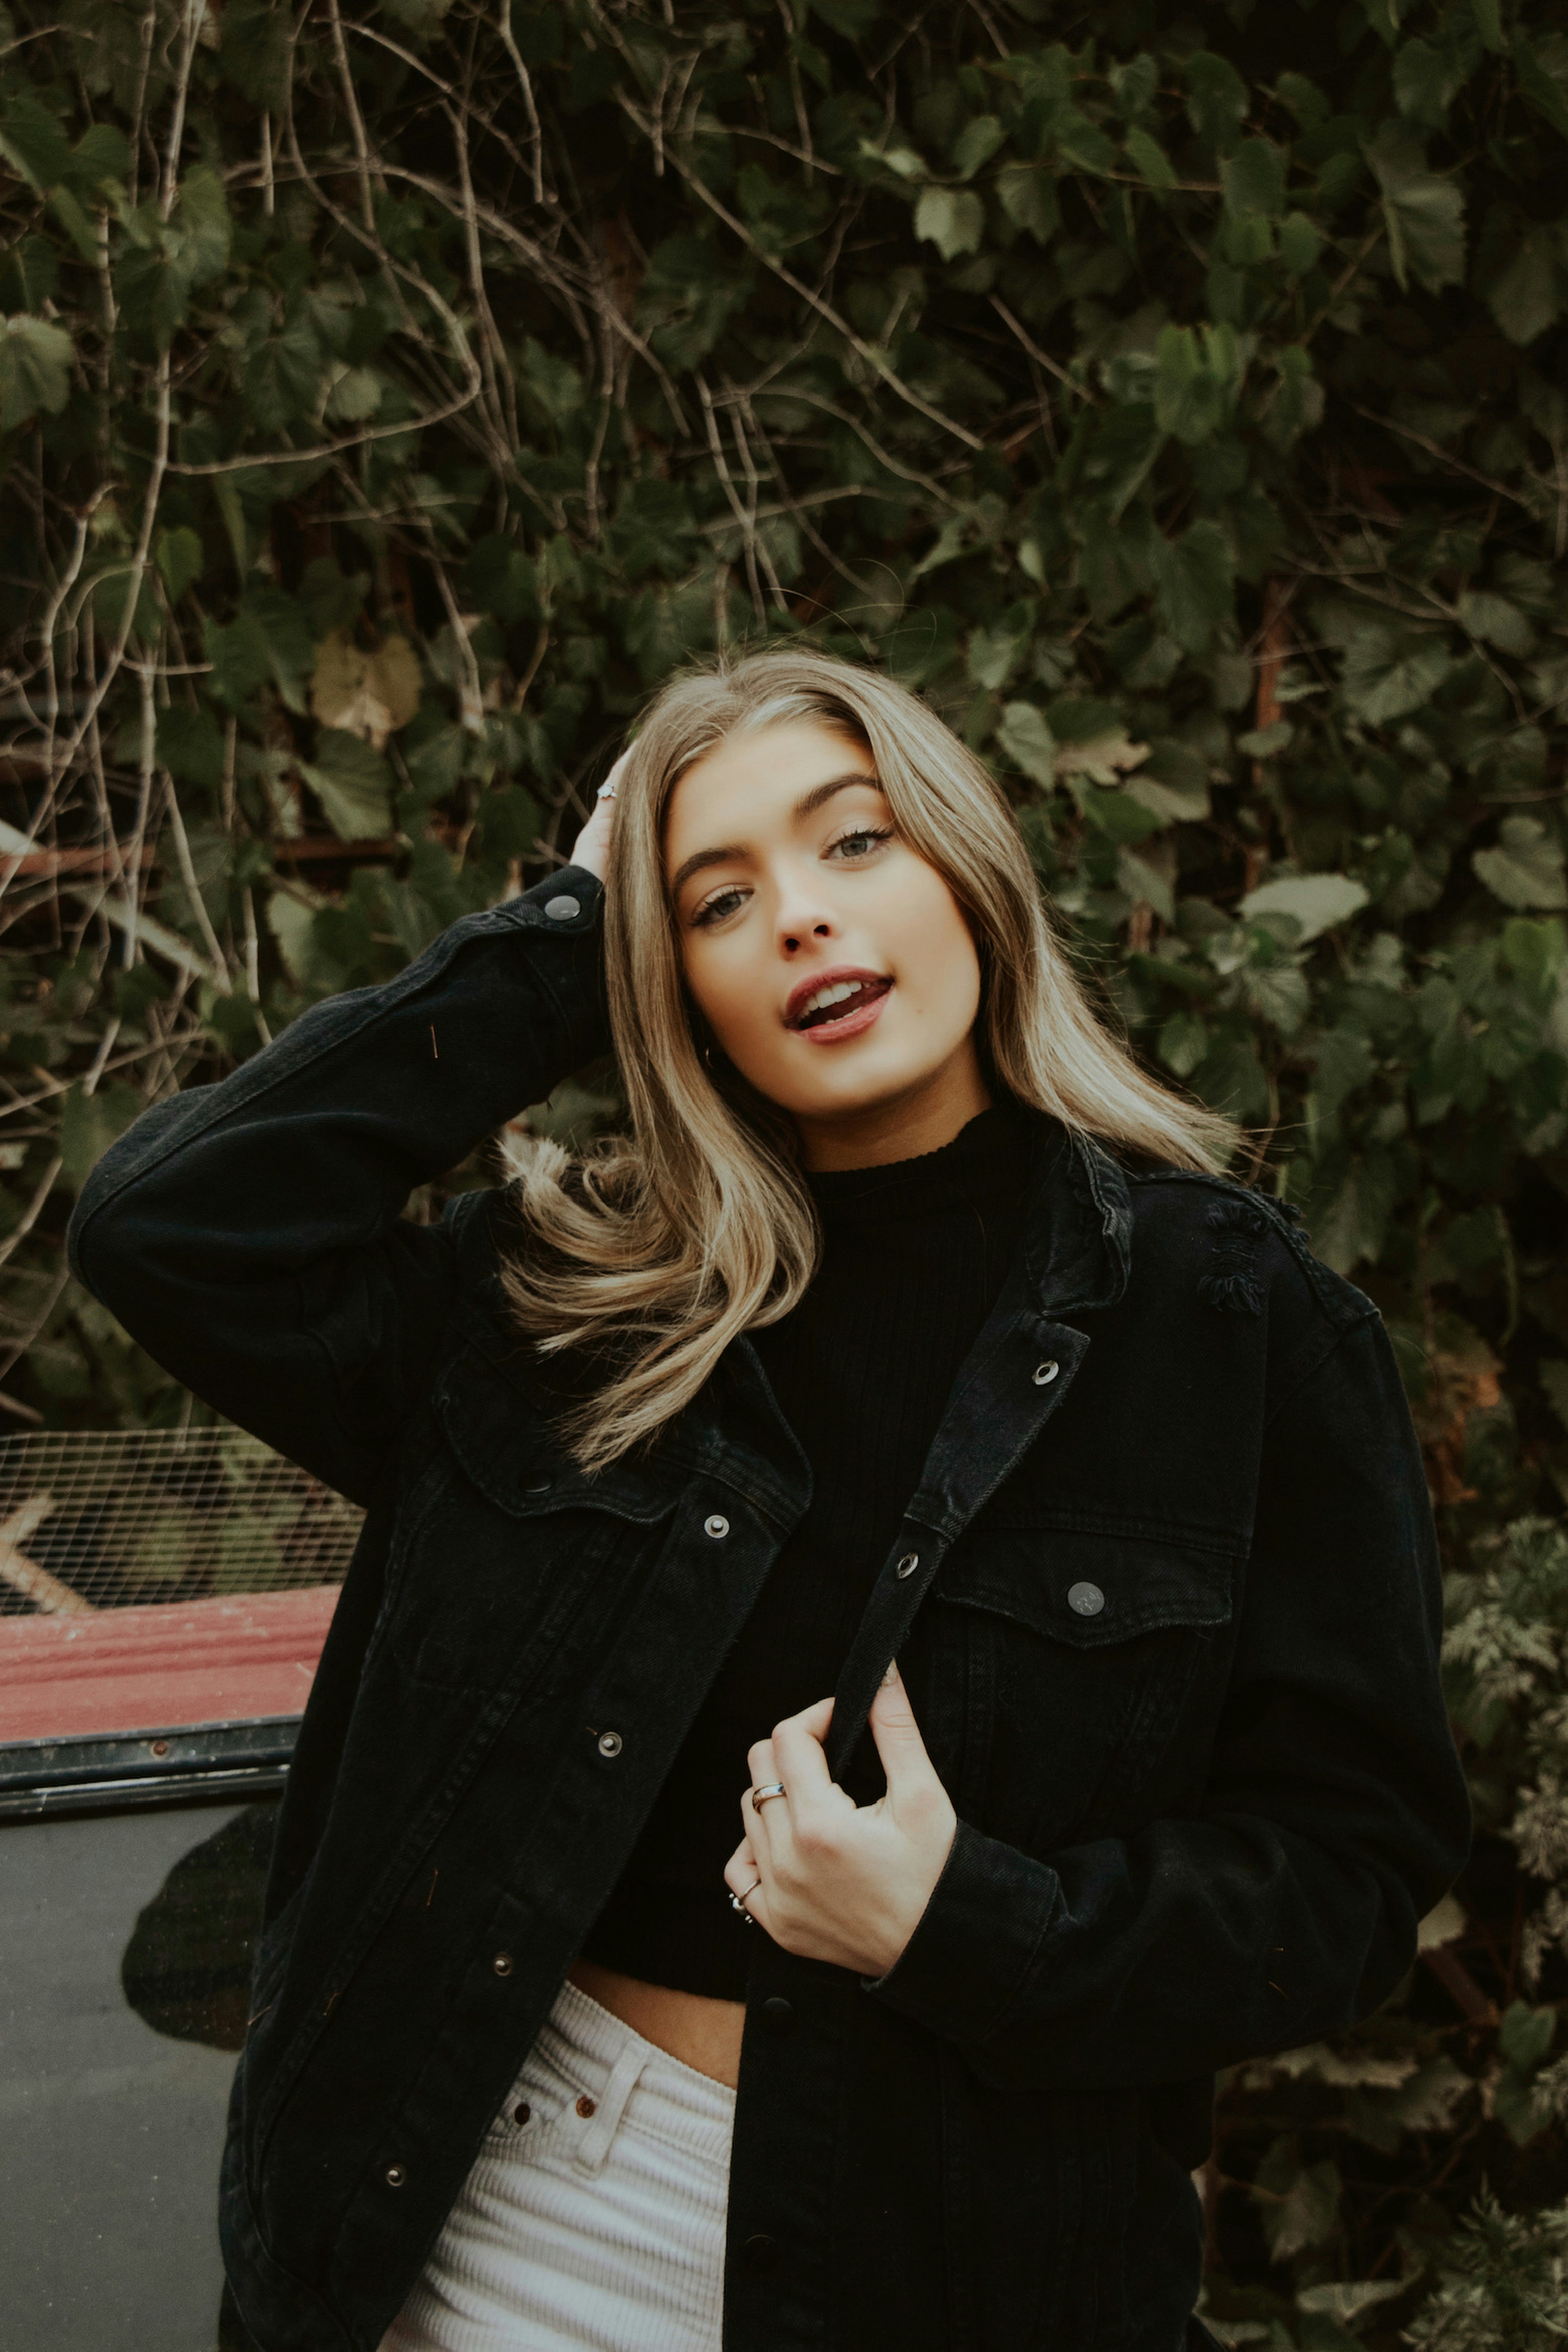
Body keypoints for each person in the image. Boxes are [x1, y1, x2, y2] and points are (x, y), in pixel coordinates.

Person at [69, 648, 1471, 2352]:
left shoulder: (1235, 1328)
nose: (799, 916)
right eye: (715, 900)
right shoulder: (564, 1308)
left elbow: (1348, 1875)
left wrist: (965, 1922)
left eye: (854, 841)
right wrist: (565, 935)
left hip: (939, 2269)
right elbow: (172, 1228)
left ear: (969, 866)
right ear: (672, 986)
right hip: (469, 2216)